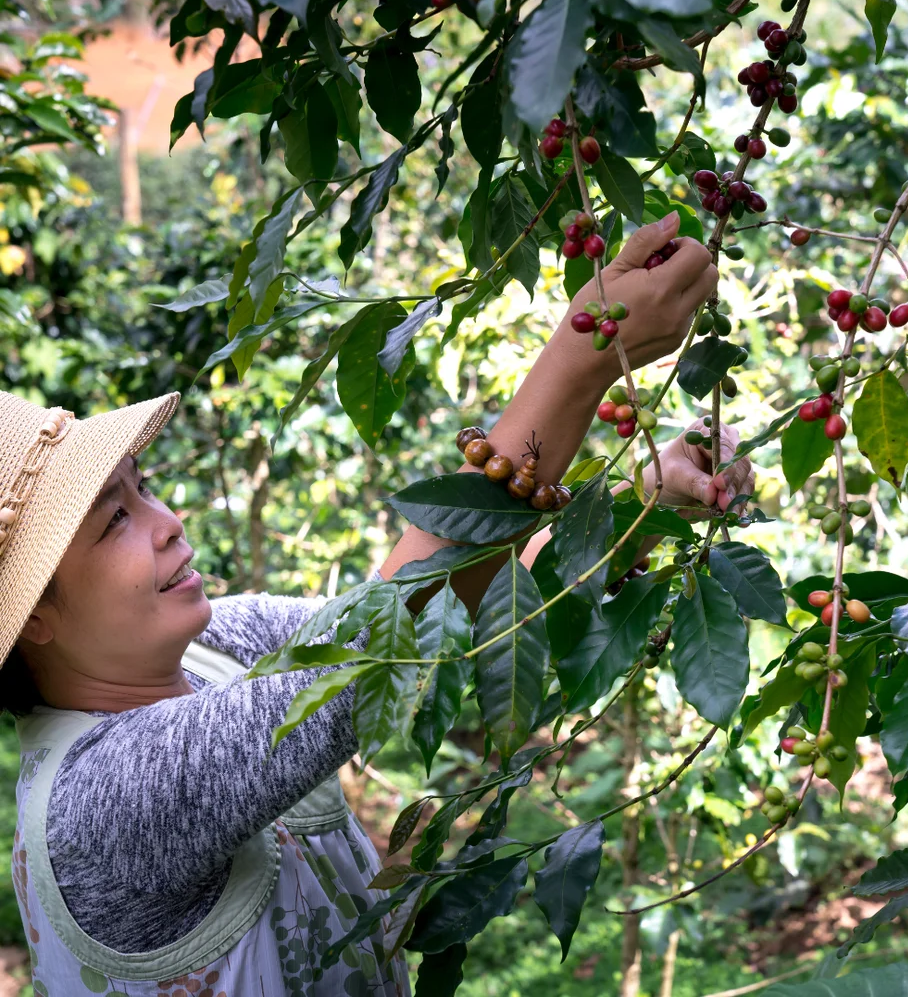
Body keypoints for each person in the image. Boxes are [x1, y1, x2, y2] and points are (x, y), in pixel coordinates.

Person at [0, 213, 753, 996]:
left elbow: (426, 604)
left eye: (143, 488)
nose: (166, 523)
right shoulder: (99, 803)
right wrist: (581, 354)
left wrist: (632, 503)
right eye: (114, 520)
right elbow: (372, 654)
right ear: (33, 621)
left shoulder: (216, 646)